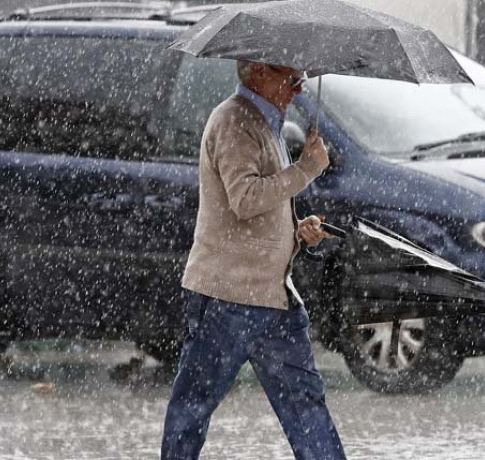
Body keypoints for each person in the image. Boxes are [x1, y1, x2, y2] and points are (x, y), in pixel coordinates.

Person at [160, 60, 346, 460]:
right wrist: (307, 169)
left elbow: (263, 207)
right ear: (259, 72)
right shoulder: (233, 122)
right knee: (194, 406)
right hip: (229, 295)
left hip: (272, 295)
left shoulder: (267, 122)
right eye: (292, 79)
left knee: (305, 405)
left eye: (302, 81)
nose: (299, 89)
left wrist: (297, 228)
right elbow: (244, 200)